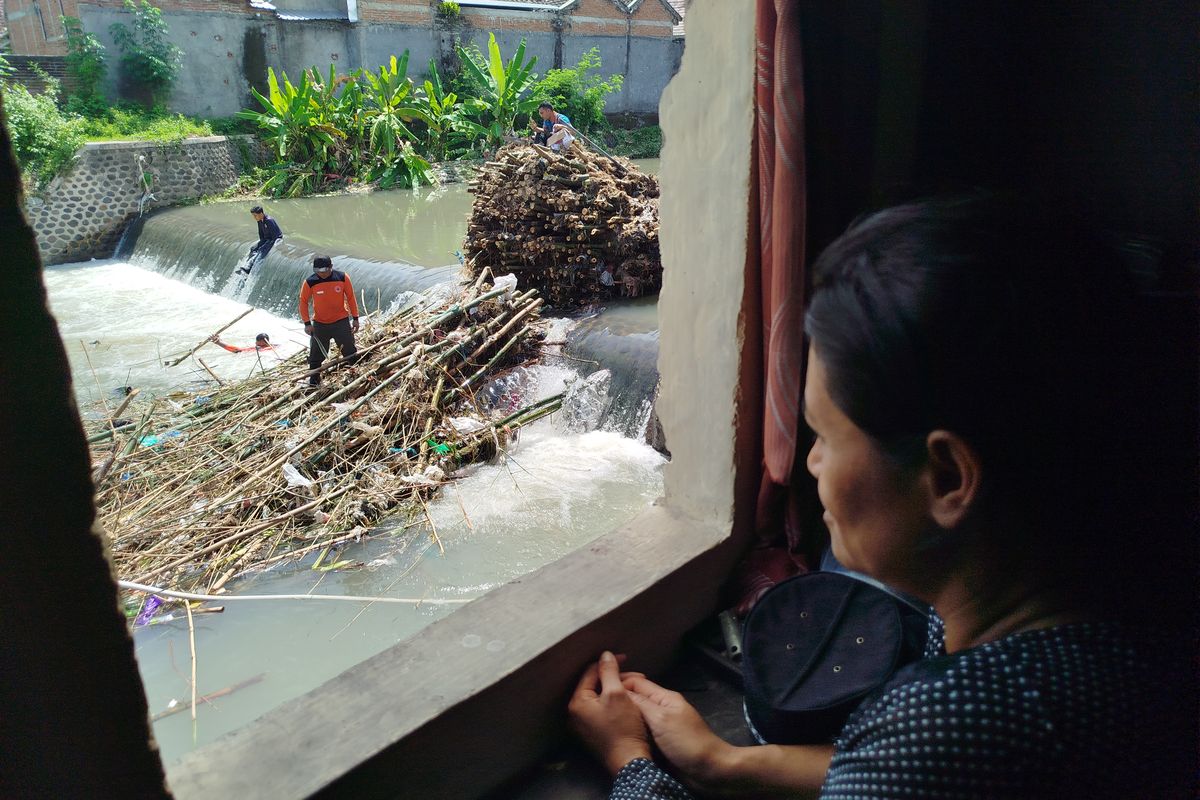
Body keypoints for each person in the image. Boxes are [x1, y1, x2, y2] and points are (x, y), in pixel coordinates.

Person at [569, 198, 1196, 799]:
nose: (810, 460)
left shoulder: (954, 724)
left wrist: (631, 765)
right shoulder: (1119, 623)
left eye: (825, 435)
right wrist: (722, 762)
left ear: (948, 478)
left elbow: (923, 766)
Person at [299, 255, 359, 387]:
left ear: (331, 267)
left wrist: (355, 318)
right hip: (320, 324)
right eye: (318, 271)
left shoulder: (342, 278)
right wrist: (307, 323)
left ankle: (356, 375)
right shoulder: (310, 282)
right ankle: (314, 381)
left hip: (341, 322)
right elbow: (303, 302)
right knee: (315, 355)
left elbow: (351, 298)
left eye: (324, 271)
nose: (321, 274)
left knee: (349, 351)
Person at [238, 205, 283, 274]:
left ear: (261, 213)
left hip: (274, 239)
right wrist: (260, 243)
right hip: (266, 239)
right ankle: (247, 265)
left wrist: (271, 245)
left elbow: (275, 235)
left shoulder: (269, 220)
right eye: (253, 215)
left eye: (255, 215)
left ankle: (249, 267)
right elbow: (261, 233)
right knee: (253, 248)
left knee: (261, 251)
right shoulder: (259, 220)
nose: (254, 217)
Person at [208, 332, 276, 353]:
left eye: (257, 341)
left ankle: (217, 341)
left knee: (238, 350)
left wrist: (218, 342)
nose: (255, 342)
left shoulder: (263, 348)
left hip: (250, 352)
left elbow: (238, 350)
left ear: (262, 342)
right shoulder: (272, 346)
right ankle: (218, 341)